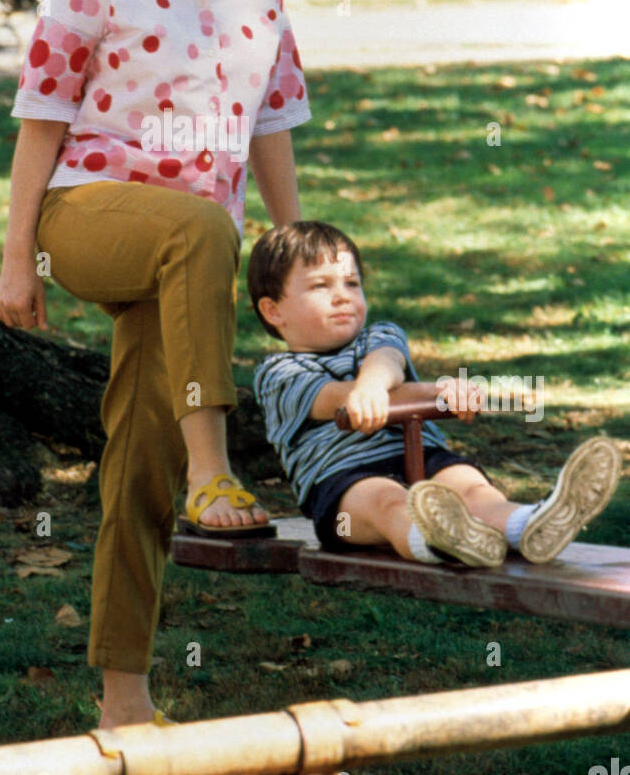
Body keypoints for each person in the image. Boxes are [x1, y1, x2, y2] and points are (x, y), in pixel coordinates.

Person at [0, 0, 311, 729]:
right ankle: (214, 466)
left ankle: (122, 701)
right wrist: (16, 260)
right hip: (87, 214)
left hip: (189, 255)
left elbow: (272, 119)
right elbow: (39, 122)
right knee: (199, 226)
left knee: (136, 459)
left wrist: (294, 248)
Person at [249, 220, 622, 566]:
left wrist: (443, 390)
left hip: (423, 456)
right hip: (343, 487)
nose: (342, 296)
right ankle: (433, 542)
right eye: (320, 286)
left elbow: (387, 362)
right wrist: (417, 392)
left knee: (471, 488)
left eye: (352, 283)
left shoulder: (380, 336)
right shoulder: (278, 374)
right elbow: (334, 399)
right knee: (386, 502)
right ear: (274, 310)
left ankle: (528, 526)